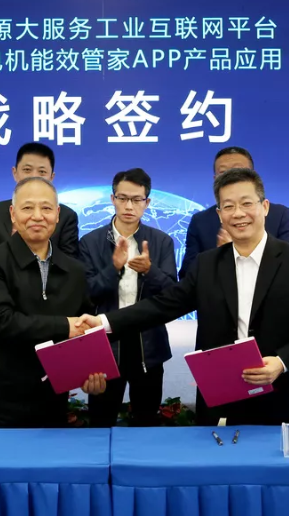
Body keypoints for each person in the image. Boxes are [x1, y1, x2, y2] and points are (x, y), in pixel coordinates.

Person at [77, 168, 289, 426]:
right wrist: (104, 322)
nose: (238, 213)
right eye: (228, 206)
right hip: (226, 396)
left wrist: (282, 362)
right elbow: (163, 305)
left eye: (246, 203)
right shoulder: (207, 264)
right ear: (219, 214)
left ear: (265, 207)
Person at [0, 176, 105, 428]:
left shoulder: (74, 270)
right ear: (13, 214)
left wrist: (90, 373)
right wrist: (64, 325)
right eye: (27, 207)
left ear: (57, 214)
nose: (37, 216)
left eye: (46, 208)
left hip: (53, 403)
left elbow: (84, 331)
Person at [79, 168, 177, 427]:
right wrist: (113, 269)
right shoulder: (90, 242)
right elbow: (85, 296)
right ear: (112, 199)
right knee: (101, 420)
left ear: (147, 202)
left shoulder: (161, 242)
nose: (129, 206)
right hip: (105, 341)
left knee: (146, 420)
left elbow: (173, 295)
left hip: (149, 342)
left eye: (136, 199)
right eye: (122, 198)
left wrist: (150, 271)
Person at [180, 146, 289, 279]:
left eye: (239, 171)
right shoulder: (200, 221)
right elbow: (188, 277)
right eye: (223, 173)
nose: (231, 178)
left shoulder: (280, 215)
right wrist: (221, 258)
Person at [0, 142, 79, 258]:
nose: (34, 176)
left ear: (52, 177)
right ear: (15, 173)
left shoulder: (66, 216)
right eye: (27, 170)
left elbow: (70, 263)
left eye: (42, 172)